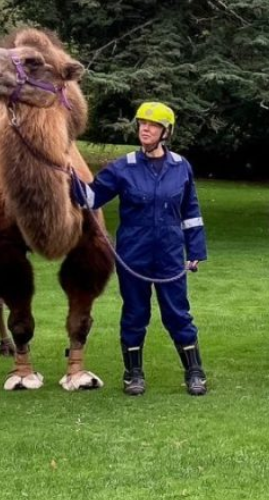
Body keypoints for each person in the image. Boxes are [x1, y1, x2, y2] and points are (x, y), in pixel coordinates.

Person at [73, 101, 208, 396]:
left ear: (166, 132)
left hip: (170, 256)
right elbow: (92, 198)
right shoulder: (124, 167)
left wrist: (196, 249)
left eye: (153, 125)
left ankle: (194, 372)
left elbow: (191, 211)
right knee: (135, 313)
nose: (145, 129)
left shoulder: (180, 166)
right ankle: (133, 373)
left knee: (178, 314)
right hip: (133, 256)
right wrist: (66, 172)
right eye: (142, 124)